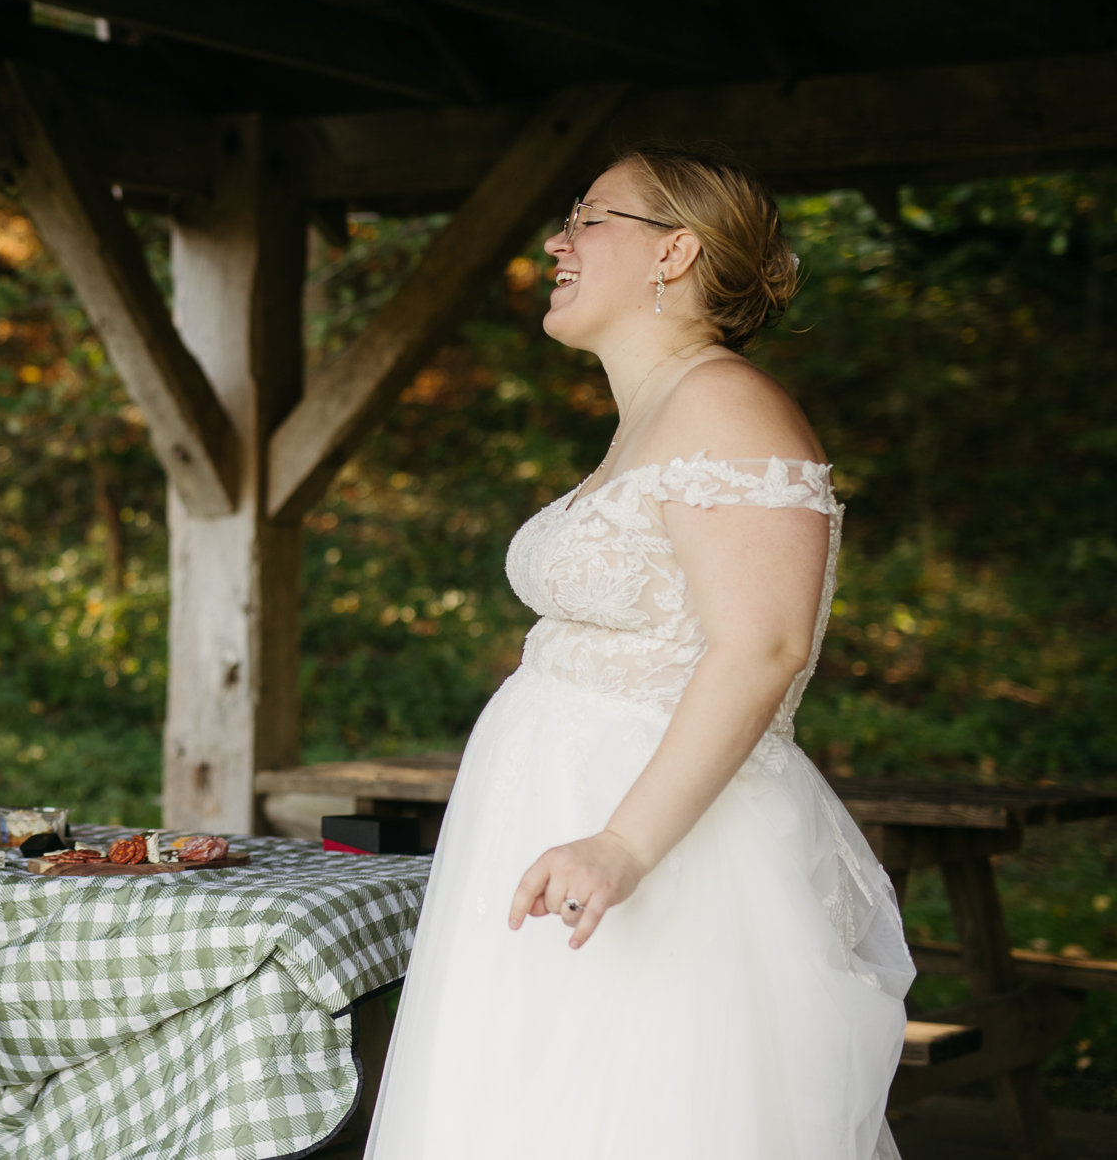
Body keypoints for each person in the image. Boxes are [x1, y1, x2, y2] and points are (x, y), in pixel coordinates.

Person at [364, 149, 912, 1159]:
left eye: (587, 218)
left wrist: (620, 845)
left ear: (675, 251)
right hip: (556, 827)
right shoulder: (651, 416)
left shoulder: (726, 406)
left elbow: (763, 644)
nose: (554, 241)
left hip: (662, 849)